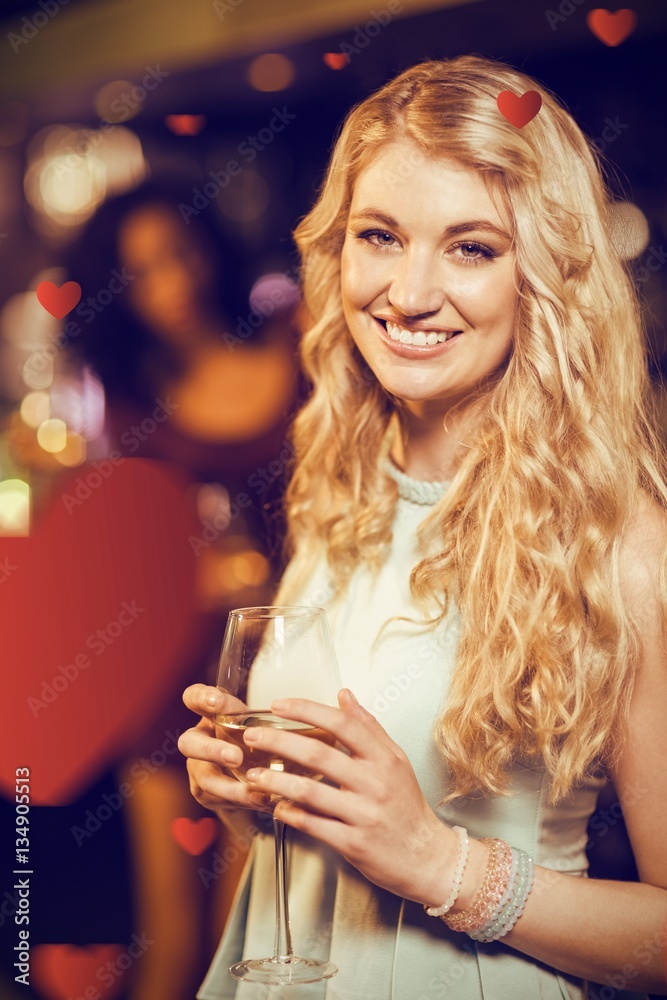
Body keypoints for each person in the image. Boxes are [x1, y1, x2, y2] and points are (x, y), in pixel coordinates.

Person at [177, 54, 667, 999]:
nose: (407, 293)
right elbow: (323, 835)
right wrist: (258, 805)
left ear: (544, 276)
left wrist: (440, 864)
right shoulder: (338, 491)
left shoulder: (624, 546)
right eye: (380, 236)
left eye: (471, 248)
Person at [62, 180, 301, 1000]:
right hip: (169, 674)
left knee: (252, 938)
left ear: (209, 250)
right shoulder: (129, 405)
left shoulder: (294, 346)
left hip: (282, 675)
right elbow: (121, 555)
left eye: (179, 253)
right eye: (142, 272)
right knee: (168, 943)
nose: (170, 283)